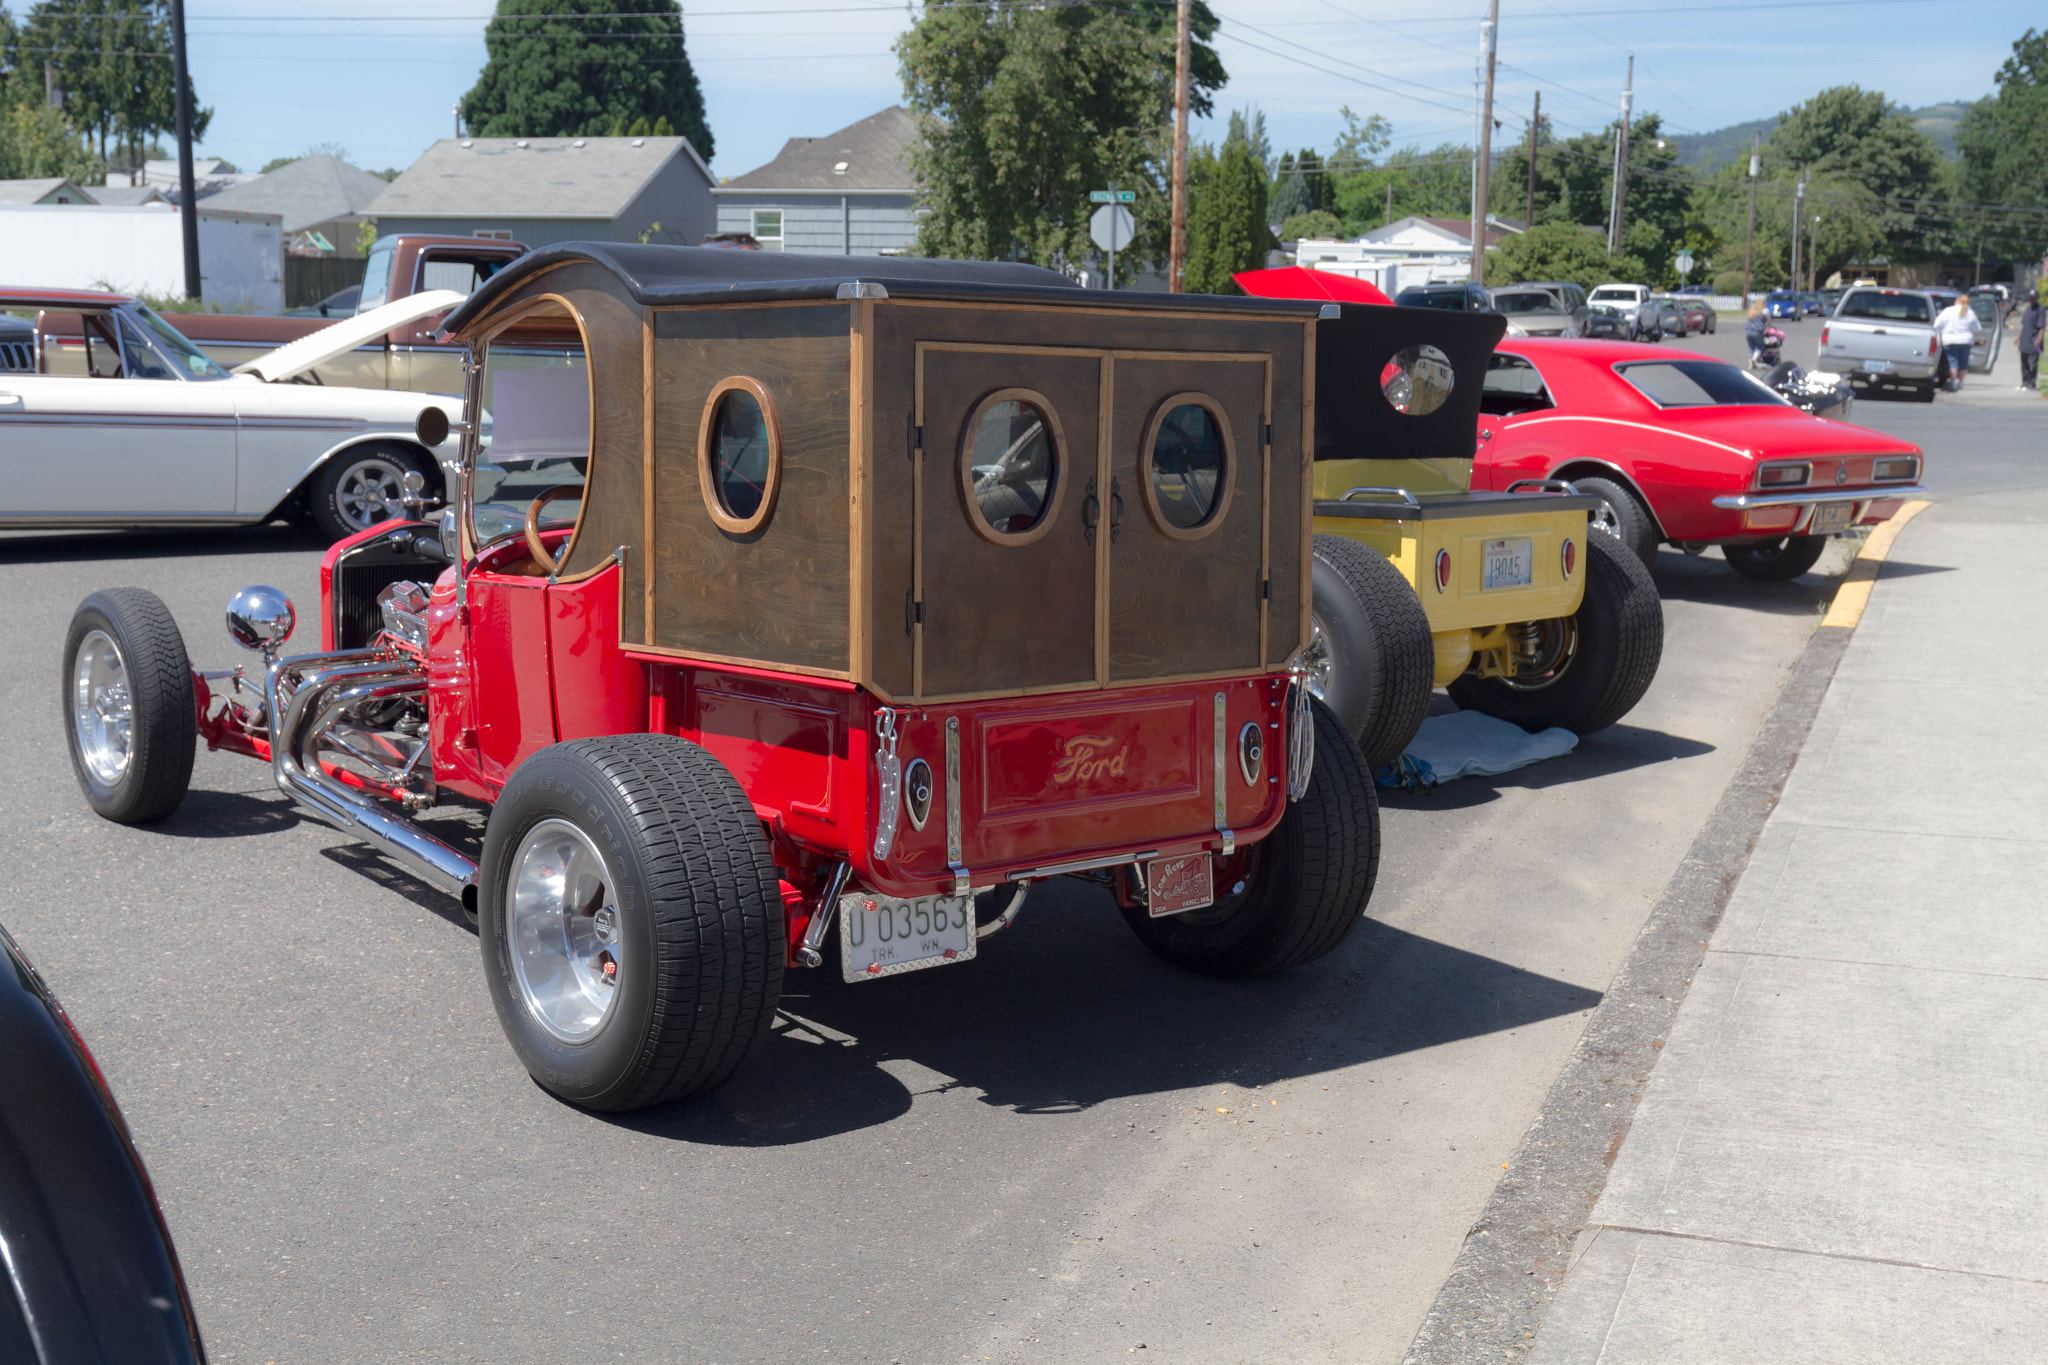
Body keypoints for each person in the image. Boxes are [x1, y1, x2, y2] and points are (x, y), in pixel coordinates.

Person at [1935, 294, 1983, 392]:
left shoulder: (1948, 311)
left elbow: (1936, 324)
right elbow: (1977, 328)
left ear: (1956, 301)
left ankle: (1953, 382)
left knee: (1952, 362)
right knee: (1964, 363)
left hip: (1950, 340)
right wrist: (1972, 339)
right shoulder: (1970, 312)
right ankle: (1961, 383)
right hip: (1966, 341)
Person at [2019, 284, 2046, 393]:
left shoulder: (2041, 309)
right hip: (2024, 341)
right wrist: (2018, 338)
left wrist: (2039, 339)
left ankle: (2031, 382)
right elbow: (2024, 325)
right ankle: (2025, 382)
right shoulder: (2028, 309)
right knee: (2024, 363)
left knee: (2032, 364)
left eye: (2034, 298)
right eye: (2030, 298)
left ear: (2037, 298)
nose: (2032, 300)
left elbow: (2042, 326)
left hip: (2034, 341)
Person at [1744, 299, 1768, 367]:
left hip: (1748, 330)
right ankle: (1754, 359)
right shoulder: (1764, 311)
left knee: (1751, 347)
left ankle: (1750, 363)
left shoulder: (1751, 310)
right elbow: (1769, 322)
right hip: (1757, 331)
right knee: (1760, 345)